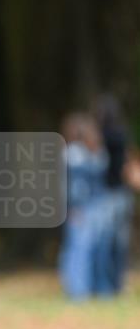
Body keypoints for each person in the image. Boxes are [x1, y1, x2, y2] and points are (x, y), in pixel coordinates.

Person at [58, 112, 109, 299]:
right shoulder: (73, 154)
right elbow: (72, 186)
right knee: (78, 249)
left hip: (90, 207)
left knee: (85, 249)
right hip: (79, 209)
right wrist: (72, 207)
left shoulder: (87, 153)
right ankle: (77, 291)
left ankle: (84, 289)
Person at [94, 94, 135, 294]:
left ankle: (107, 285)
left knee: (107, 241)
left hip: (107, 194)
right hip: (121, 193)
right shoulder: (121, 134)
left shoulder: (101, 136)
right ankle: (116, 284)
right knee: (119, 242)